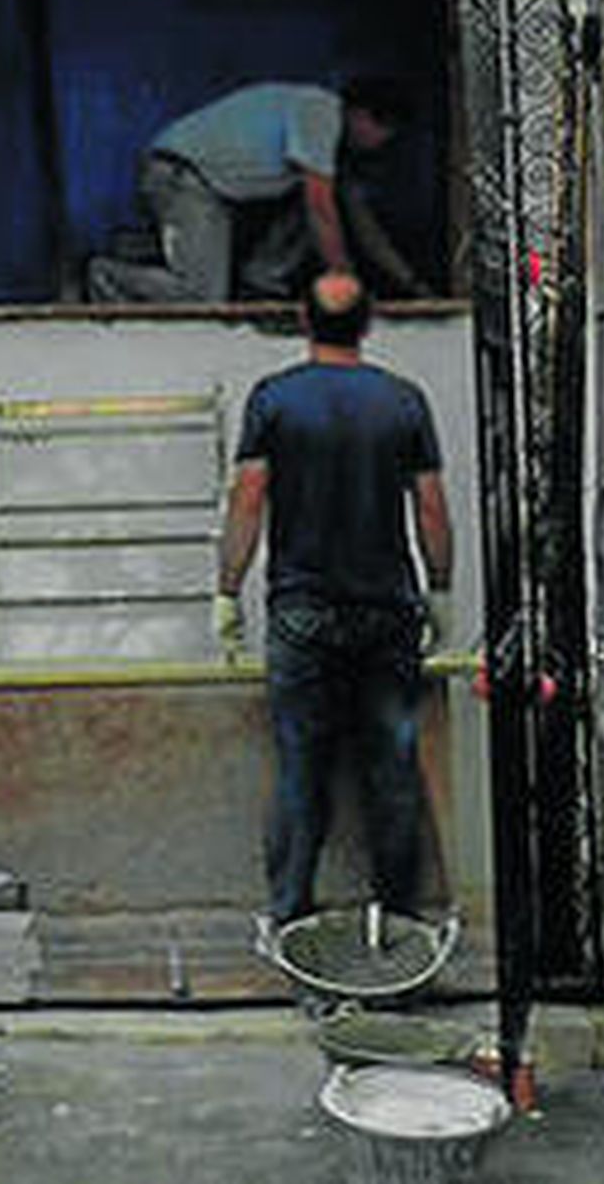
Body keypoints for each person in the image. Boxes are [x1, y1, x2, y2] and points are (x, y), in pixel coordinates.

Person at [213, 270, 454, 924]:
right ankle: (399, 917)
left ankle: (291, 914)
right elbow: (430, 508)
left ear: (304, 319)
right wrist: (440, 589)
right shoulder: (403, 401)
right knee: (392, 767)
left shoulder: (275, 400)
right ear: (368, 323)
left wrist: (228, 590)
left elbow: (248, 500)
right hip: (387, 611)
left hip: (302, 611)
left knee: (300, 768)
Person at [86, 76, 425, 304]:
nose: (380, 142)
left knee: (318, 204)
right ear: (360, 114)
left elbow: (364, 227)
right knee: (202, 298)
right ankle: (106, 275)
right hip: (183, 177)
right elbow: (320, 211)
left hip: (210, 188)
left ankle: (262, 283)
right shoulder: (322, 112)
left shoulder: (335, 154)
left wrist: (412, 286)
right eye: (382, 129)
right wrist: (345, 283)